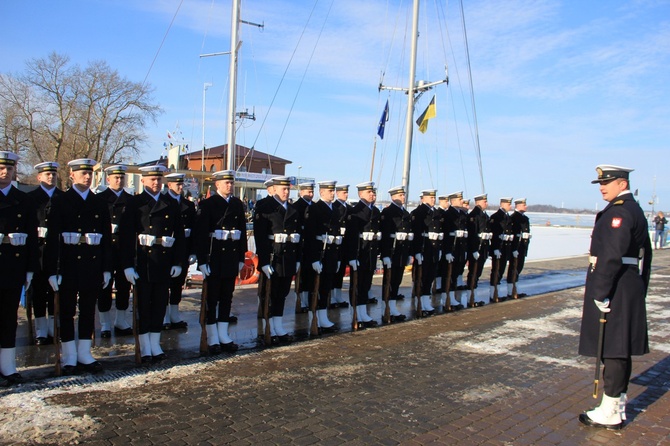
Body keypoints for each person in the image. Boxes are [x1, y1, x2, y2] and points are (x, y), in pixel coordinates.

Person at [578, 165, 652, 430]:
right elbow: (646, 255)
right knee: (618, 349)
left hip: (616, 285)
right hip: (627, 283)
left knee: (613, 350)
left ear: (622, 184)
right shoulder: (634, 209)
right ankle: (615, 406)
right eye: (600, 183)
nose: (601, 187)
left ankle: (609, 410)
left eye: (607, 182)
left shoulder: (620, 211)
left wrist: (601, 292)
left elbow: (611, 254)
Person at [45, 158, 112, 375]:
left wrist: (106, 268)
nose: (87, 176)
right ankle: (69, 355)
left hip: (92, 264)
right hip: (68, 264)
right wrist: (52, 271)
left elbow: (106, 239)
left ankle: (84, 353)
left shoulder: (99, 202)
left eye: (89, 173)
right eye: (81, 173)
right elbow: (52, 239)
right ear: (72, 175)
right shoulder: (61, 201)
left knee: (87, 310)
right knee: (66, 311)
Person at [120, 165, 185, 364]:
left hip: (163, 261)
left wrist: (178, 262)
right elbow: (125, 236)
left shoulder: (170, 203)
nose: (156, 183)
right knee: (143, 305)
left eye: (158, 179)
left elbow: (179, 235)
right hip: (142, 261)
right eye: (152, 179)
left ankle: (155, 342)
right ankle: (144, 344)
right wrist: (127, 265)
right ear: (144, 181)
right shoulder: (134, 203)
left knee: (159, 304)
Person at [194, 170, 247, 353]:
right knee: (212, 298)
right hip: (214, 257)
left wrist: (241, 257)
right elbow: (200, 235)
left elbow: (242, 233)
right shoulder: (207, 204)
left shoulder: (237, 204)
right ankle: (212, 336)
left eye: (231, 183)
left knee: (227, 297)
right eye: (226, 183)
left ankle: (223, 335)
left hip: (231, 257)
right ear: (217, 184)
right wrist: (201, 261)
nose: (229, 186)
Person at [0, 151, 38, 386]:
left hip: (13, 267)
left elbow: (32, 236)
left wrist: (30, 268)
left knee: (8, 318)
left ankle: (8, 365)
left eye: (9, 168)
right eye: (1, 168)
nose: (5, 172)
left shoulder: (22, 199)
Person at [253, 176, 302, 344]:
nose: (286, 192)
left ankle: (278, 325)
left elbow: (298, 238)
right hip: (273, 258)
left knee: (282, 293)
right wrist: (264, 262)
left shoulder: (294, 209)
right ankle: (267, 326)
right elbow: (260, 238)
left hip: (288, 257)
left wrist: (298, 259)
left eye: (288, 189)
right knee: (270, 294)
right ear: (274, 189)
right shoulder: (266, 208)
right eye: (283, 189)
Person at [27, 161, 63, 345]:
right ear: (39, 177)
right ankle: (41, 329)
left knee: (55, 292)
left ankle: (52, 326)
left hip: (58, 253)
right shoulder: (31, 198)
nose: (51, 177)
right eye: (47, 174)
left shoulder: (63, 198)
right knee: (39, 292)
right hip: (39, 252)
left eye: (53, 174)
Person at [96, 165, 133, 338]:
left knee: (123, 285)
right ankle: (104, 323)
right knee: (104, 286)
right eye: (115, 178)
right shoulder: (100, 199)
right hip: (106, 248)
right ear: (108, 179)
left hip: (124, 248)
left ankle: (121, 320)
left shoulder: (130, 199)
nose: (119, 181)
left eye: (121, 178)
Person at [302, 180, 340, 334]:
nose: (332, 193)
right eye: (329, 191)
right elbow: (309, 236)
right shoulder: (315, 208)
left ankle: (323, 317)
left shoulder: (335, 209)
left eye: (333, 190)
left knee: (326, 288)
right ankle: (313, 317)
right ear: (322, 192)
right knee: (314, 288)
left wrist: (337, 257)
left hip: (331, 253)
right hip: (319, 253)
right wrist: (313, 259)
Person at [344, 182, 382, 328]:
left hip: (371, 254)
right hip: (360, 255)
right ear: (360, 194)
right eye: (369, 193)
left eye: (373, 193)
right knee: (357, 285)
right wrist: (352, 257)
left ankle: (363, 313)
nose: (373, 195)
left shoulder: (376, 212)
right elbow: (351, 237)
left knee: (366, 285)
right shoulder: (355, 212)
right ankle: (356, 314)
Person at [163, 173, 197, 331]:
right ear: (169, 185)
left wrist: (192, 251)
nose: (181, 187)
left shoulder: (188, 205)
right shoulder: (163, 202)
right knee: (164, 284)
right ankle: (162, 315)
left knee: (178, 283)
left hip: (183, 248)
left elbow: (194, 229)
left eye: (182, 184)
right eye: (177, 184)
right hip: (166, 248)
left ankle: (174, 314)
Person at [379, 185, 411, 322]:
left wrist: (409, 253)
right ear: (393, 197)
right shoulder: (388, 213)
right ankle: (385, 308)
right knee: (389, 281)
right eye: (400, 195)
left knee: (397, 280)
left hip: (402, 252)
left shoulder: (406, 213)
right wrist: (385, 254)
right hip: (391, 252)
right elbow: (385, 236)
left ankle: (392, 307)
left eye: (403, 195)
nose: (403, 197)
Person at [410, 189, 440, 316]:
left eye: (434, 197)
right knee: (421, 278)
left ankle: (426, 301)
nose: (433, 199)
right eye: (430, 197)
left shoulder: (435, 212)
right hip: (423, 249)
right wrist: (416, 251)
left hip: (433, 250)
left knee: (429, 277)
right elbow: (416, 234)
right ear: (423, 198)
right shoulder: (418, 213)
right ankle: (419, 303)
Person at [443, 191, 468, 310]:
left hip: (460, 249)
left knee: (456, 273)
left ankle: (452, 296)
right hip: (451, 250)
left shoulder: (462, 215)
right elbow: (446, 235)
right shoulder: (448, 214)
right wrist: (447, 251)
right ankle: (447, 298)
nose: (462, 201)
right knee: (449, 275)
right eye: (459, 199)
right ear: (452, 201)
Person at [465, 194, 491, 307]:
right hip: (476, 249)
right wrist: (474, 250)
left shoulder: (484, 215)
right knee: (473, 273)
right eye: (484, 202)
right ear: (478, 202)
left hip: (483, 248)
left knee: (478, 272)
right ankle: (470, 297)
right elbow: (472, 235)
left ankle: (473, 295)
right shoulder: (474, 216)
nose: (487, 204)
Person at [294, 182, 315, 313]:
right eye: (308, 192)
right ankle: (300, 300)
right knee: (301, 276)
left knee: (309, 275)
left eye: (312, 192)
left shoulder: (315, 207)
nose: (311, 194)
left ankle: (308, 299)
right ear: (301, 192)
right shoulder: (296, 207)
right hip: (300, 245)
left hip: (310, 245)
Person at [331, 183, 352, 308]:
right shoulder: (334, 207)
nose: (346, 194)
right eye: (344, 192)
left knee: (341, 272)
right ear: (337, 193)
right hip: (336, 243)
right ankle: (332, 297)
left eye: (347, 192)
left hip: (345, 244)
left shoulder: (349, 208)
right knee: (334, 271)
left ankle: (338, 296)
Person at [488, 197, 513, 301]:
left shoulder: (507, 217)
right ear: (502, 204)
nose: (510, 206)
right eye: (508, 204)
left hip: (505, 248)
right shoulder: (496, 217)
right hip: (498, 249)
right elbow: (493, 234)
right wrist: (495, 248)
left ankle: (497, 292)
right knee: (496, 271)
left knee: (501, 270)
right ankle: (493, 294)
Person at [506, 198, 531, 297]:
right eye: (524, 205)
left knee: (519, 267)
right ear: (518, 206)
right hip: (515, 247)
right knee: (513, 268)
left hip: (522, 247)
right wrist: (514, 249)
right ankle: (511, 291)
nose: (526, 206)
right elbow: (512, 235)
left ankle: (515, 288)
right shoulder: (514, 218)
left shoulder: (525, 218)